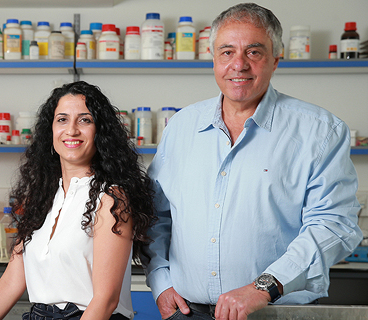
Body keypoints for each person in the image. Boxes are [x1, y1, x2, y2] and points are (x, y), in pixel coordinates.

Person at [145, 3, 362, 320]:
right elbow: (155, 216)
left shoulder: (319, 132)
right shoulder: (181, 127)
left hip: (275, 312)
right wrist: (160, 282)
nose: (239, 65)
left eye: (254, 52)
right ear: (214, 58)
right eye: (227, 52)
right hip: (187, 312)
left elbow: (334, 226)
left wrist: (263, 287)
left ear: (276, 58)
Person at [0, 81, 155, 320]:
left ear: (101, 132)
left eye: (85, 120)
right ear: (50, 131)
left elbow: (105, 300)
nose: (71, 130)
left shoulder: (111, 199)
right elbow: (8, 285)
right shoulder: (41, 199)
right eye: (62, 119)